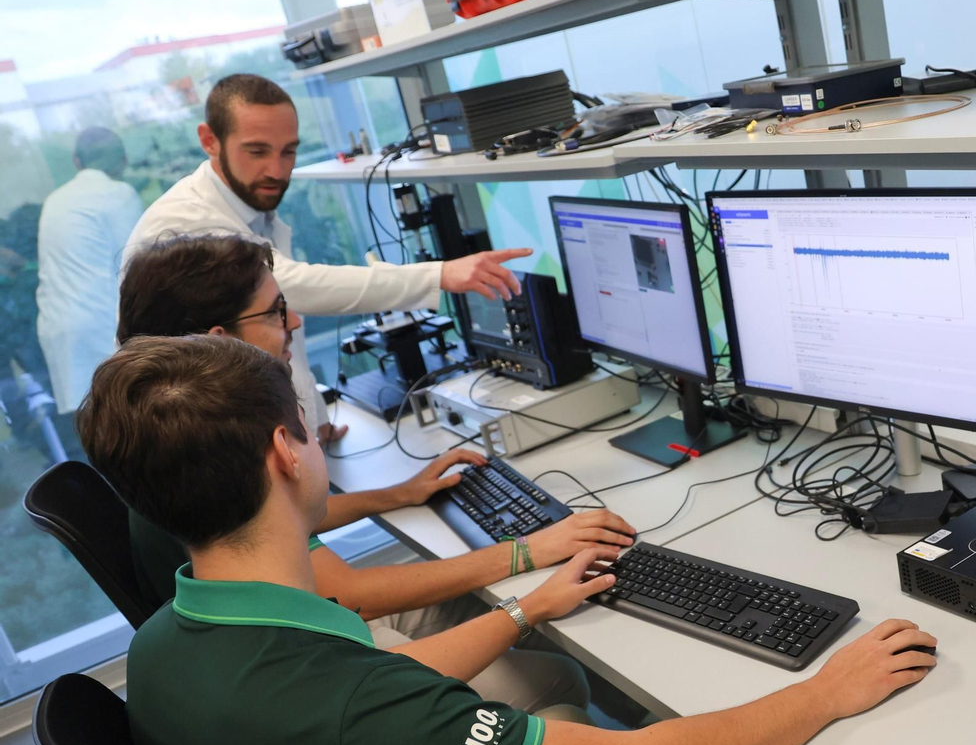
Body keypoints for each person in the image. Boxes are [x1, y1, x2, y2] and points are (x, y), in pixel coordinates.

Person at [79, 333, 945, 745]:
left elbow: (373, 694)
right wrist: (827, 688)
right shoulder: (351, 711)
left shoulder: (161, 649)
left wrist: (527, 608)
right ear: (284, 453)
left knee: (587, 705)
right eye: (305, 429)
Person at [117, 233, 637, 715]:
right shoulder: (224, 456)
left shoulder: (170, 442)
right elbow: (350, 594)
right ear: (218, 339)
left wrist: (399, 494)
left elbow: (292, 518)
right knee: (559, 676)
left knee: (506, 603)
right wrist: (524, 554)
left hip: (299, 648)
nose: (294, 322)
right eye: (276, 311)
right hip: (331, 663)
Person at [123, 72, 530, 443]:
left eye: (288, 152)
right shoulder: (188, 220)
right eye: (257, 151)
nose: (277, 170)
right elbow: (294, 288)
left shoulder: (250, 206)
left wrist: (311, 417)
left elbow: (279, 326)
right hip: (194, 437)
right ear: (209, 140)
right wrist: (438, 274)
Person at [36, 127, 145, 412]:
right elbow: (138, 263)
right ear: (123, 159)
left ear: (76, 161)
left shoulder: (55, 199)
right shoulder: (118, 194)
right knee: (127, 414)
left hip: (59, 325)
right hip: (101, 322)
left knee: (92, 418)